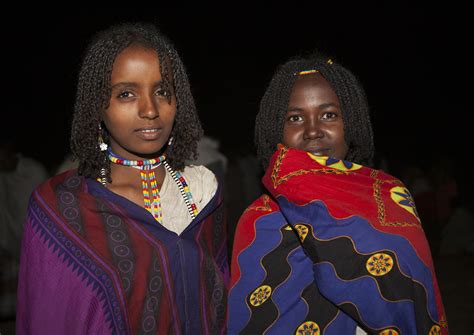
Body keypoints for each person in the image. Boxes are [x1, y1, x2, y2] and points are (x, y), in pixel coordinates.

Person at [16, 22, 228, 334]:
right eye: (126, 94)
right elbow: (52, 318)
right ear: (97, 106)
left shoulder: (202, 189)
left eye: (162, 91)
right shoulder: (61, 207)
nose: (150, 110)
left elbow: (220, 299)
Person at [228, 53, 448, 334]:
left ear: (351, 123)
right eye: (295, 117)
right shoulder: (259, 220)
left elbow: (414, 297)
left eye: (328, 115)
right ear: (276, 130)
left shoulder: (389, 194)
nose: (312, 131)